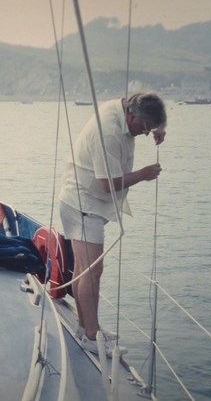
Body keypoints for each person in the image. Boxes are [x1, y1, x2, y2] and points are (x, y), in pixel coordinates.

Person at [59, 91, 167, 356]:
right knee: (91, 271)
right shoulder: (108, 132)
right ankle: (91, 336)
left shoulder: (125, 106)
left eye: (149, 129)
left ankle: (86, 326)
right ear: (131, 115)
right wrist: (143, 174)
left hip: (85, 203)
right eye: (144, 127)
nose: (145, 134)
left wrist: (161, 126)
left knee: (84, 270)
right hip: (84, 204)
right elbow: (106, 185)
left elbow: (150, 105)